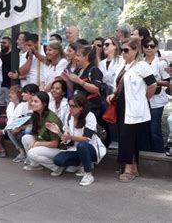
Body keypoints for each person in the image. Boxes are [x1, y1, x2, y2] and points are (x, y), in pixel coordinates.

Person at [106, 38, 156, 182]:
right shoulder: (123, 65)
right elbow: (119, 86)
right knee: (126, 138)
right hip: (122, 108)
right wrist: (113, 95)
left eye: (126, 50)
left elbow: (152, 85)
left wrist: (143, 99)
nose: (123, 53)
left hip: (134, 110)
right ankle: (133, 167)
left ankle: (128, 168)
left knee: (129, 138)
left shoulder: (142, 66)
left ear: (135, 50)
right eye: (121, 50)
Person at [48, 94, 107, 186]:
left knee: (82, 146)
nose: (70, 108)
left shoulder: (89, 116)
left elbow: (86, 139)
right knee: (58, 160)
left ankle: (88, 173)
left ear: (81, 108)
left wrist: (70, 137)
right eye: (69, 105)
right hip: (75, 149)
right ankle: (81, 164)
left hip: (92, 149)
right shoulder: (68, 117)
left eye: (73, 106)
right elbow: (66, 138)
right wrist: (58, 132)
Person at [22, 92, 64, 173]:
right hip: (44, 142)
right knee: (25, 138)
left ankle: (56, 168)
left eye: (36, 101)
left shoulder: (51, 119)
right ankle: (35, 165)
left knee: (32, 153)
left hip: (58, 149)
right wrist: (36, 141)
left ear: (44, 104)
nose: (32, 103)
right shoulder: (36, 114)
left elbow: (55, 144)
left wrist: (38, 143)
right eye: (32, 101)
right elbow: (36, 133)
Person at [143, 37, 169, 153]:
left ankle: (159, 153)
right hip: (143, 99)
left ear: (156, 48)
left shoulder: (161, 63)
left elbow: (167, 81)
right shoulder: (139, 62)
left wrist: (154, 81)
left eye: (152, 46)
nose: (149, 48)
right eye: (146, 46)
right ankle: (147, 151)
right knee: (145, 128)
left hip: (157, 100)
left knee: (154, 128)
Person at [6, 84, 39, 162]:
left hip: (33, 130)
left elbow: (37, 123)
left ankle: (30, 155)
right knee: (9, 129)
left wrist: (21, 127)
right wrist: (15, 127)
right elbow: (14, 120)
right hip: (21, 129)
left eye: (25, 92)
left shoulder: (38, 106)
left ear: (33, 94)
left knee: (28, 130)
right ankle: (22, 153)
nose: (22, 94)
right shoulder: (22, 105)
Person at [0, 85, 23, 158]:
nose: (10, 95)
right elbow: (9, 120)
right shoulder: (10, 104)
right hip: (8, 127)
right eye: (10, 93)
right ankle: (0, 149)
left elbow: (16, 123)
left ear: (19, 95)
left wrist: (3, 131)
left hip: (17, 129)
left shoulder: (22, 106)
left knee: (0, 128)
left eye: (12, 93)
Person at [0, 37, 13, 115]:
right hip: (0, 85)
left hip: (10, 85)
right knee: (0, 105)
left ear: (9, 44)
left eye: (4, 43)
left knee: (9, 105)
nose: (2, 44)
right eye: (1, 43)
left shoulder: (13, 55)